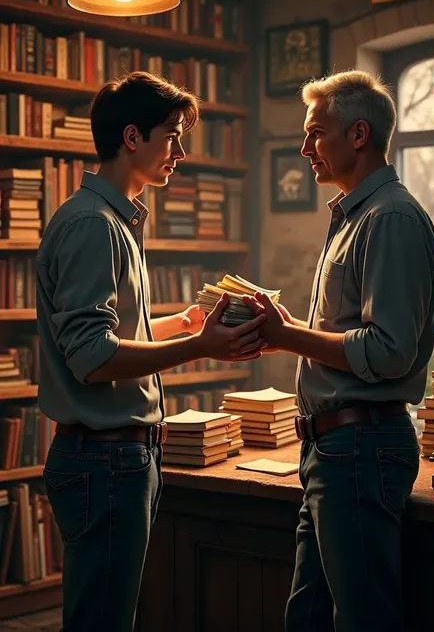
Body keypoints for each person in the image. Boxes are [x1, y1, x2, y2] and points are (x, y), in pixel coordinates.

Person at [36, 71, 267, 632]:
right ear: (132, 137)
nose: (180, 153)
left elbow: (109, 337)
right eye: (171, 136)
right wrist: (199, 345)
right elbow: (92, 358)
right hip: (104, 460)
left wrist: (175, 325)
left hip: (112, 459)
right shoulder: (94, 225)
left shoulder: (113, 219)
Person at [245, 70, 434, 632]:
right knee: (307, 618)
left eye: (315, 133)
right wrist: (284, 328)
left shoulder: (391, 219)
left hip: (361, 448)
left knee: (363, 620)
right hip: (332, 449)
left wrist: (285, 336)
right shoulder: (354, 216)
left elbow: (389, 351)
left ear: (358, 135)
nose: (304, 148)